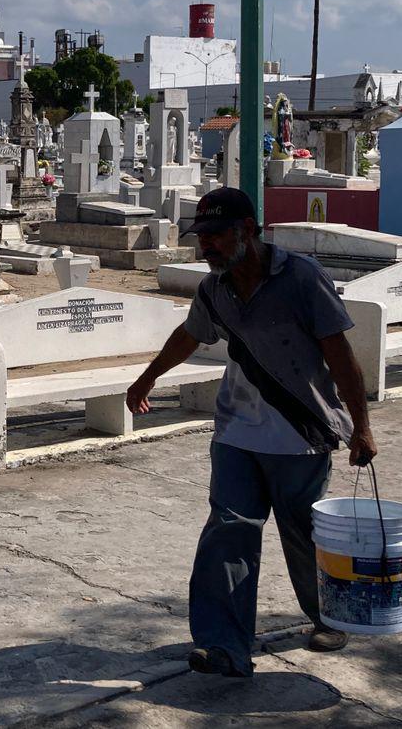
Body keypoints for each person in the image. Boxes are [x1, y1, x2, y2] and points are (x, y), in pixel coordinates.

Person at [125, 187, 377, 678]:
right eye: (203, 238)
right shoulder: (214, 288)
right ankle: (224, 646)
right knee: (228, 531)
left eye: (217, 235)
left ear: (248, 231)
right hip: (237, 433)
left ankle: (327, 617)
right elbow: (191, 334)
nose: (207, 247)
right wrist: (148, 376)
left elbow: (340, 355)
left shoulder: (301, 278)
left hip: (300, 435)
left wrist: (361, 428)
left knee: (304, 535)